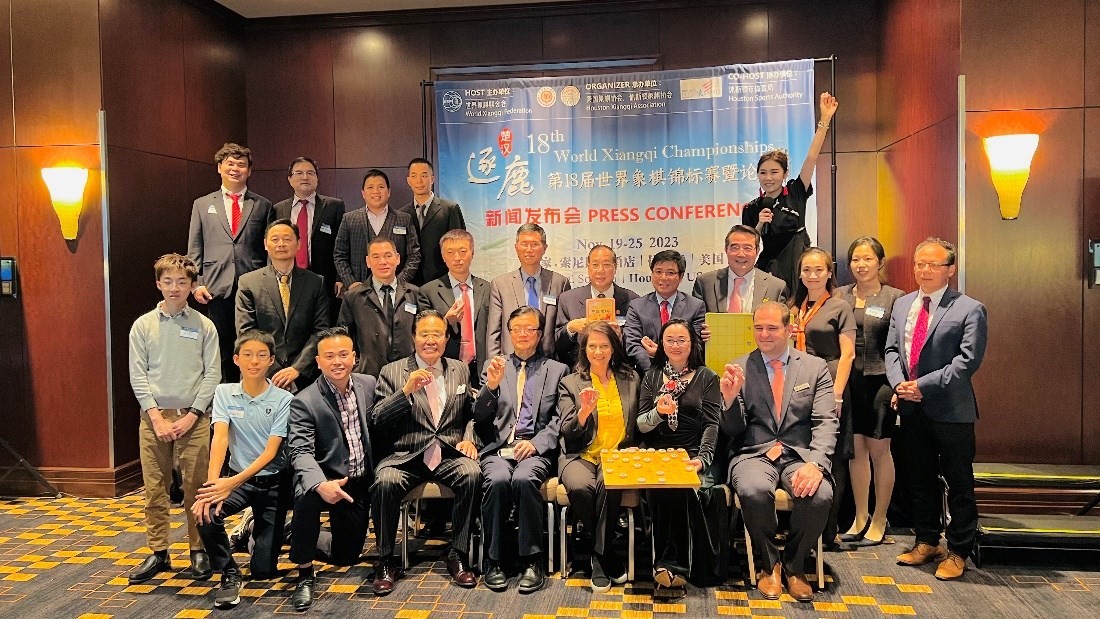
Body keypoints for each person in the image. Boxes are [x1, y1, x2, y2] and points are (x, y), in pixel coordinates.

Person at [720, 301, 838, 603]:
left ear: (789, 329)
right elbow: (733, 430)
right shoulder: (740, 366)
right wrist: (730, 401)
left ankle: (795, 566)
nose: (764, 334)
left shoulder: (814, 368)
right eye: (758, 328)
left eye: (772, 328)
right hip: (753, 453)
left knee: (820, 494)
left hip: (799, 454)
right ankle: (768, 563)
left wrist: (816, 464)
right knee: (754, 490)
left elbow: (825, 421)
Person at [886, 238, 987, 581]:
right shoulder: (902, 305)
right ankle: (927, 540)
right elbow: (890, 351)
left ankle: (959, 550)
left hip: (951, 410)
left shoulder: (970, 308)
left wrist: (921, 386)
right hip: (911, 410)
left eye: (933, 265)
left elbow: (967, 362)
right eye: (919, 264)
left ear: (950, 269)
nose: (924, 270)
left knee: (959, 482)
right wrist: (901, 384)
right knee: (919, 479)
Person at [370, 310, 481, 594]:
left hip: (448, 453)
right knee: (385, 481)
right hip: (406, 455)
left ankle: (458, 554)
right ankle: (384, 560)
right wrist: (405, 392)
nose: (430, 340)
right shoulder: (392, 371)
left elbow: (471, 414)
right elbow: (378, 420)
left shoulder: (459, 369)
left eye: (437, 335)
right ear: (414, 337)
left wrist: (468, 438)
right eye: (424, 334)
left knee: (472, 473)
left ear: (446, 339)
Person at [127, 254, 220, 584]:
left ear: (192, 285)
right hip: (153, 420)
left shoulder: (204, 326)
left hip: (194, 419)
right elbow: (138, 375)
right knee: (155, 488)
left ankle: (199, 550)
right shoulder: (143, 326)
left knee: (197, 489)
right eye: (168, 281)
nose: (175, 287)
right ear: (158, 284)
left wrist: (192, 415)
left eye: (182, 282)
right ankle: (158, 551)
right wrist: (156, 417)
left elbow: (213, 374)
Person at [193, 330, 292, 610]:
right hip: (238, 481)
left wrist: (229, 482)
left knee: (263, 570)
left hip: (273, 482)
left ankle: (251, 528)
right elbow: (220, 439)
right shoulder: (224, 393)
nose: (254, 361)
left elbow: (271, 453)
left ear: (271, 360)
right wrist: (214, 487)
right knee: (204, 512)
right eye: (247, 355)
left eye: (262, 356)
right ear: (236, 359)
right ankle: (229, 572)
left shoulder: (282, 399)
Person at [473, 307, 569, 593]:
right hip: (499, 448)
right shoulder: (494, 365)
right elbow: (478, 416)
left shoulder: (557, 370)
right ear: (509, 333)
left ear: (539, 335)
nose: (523, 334)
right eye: (517, 329)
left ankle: (532, 559)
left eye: (530, 329)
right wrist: (490, 385)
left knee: (525, 480)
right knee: (499, 480)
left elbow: (559, 420)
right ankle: (494, 559)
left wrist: (536, 443)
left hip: (534, 450)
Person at [286, 327, 376, 611]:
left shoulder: (369, 384)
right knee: (305, 496)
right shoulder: (305, 400)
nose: (337, 361)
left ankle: (290, 533)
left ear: (354, 357)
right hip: (324, 478)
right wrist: (320, 484)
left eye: (343, 354)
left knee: (346, 557)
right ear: (318, 362)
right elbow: (299, 452)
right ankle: (304, 573)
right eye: (329, 356)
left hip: (357, 481)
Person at [636, 319, 721, 588]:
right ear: (662, 344)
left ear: (693, 344)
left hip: (694, 452)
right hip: (657, 452)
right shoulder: (651, 376)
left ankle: (675, 565)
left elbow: (711, 424)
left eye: (681, 340)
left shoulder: (707, 377)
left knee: (683, 486)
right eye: (669, 340)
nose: (675, 345)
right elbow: (641, 424)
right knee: (661, 487)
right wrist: (658, 413)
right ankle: (666, 563)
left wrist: (703, 459)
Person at [558, 321, 641, 593]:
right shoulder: (570, 382)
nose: (598, 351)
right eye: (592, 346)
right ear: (584, 349)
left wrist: (635, 447)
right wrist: (583, 411)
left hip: (617, 455)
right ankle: (605, 554)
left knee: (609, 484)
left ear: (614, 348)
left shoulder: (630, 379)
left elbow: (638, 422)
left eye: (604, 346)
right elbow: (568, 432)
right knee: (581, 486)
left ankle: (597, 556)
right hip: (579, 454)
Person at [835, 237, 905, 546]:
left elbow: (903, 347)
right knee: (856, 451)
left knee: (879, 451)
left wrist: (900, 385)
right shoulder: (839, 296)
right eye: (855, 260)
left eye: (867, 259)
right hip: (849, 382)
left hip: (882, 383)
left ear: (880, 262)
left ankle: (880, 518)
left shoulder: (896, 298)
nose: (861, 265)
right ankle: (860, 516)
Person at [188, 142, 274, 381]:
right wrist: (196, 283)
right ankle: (225, 397)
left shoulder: (263, 205)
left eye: (241, 164)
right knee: (221, 348)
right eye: (230, 163)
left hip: (254, 286)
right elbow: (195, 246)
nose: (236, 169)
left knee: (253, 345)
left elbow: (269, 248)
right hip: (216, 288)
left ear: (249, 171)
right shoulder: (203, 204)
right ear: (219, 167)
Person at [788, 247, 856, 548]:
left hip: (831, 384)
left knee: (833, 457)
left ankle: (829, 531)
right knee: (806, 452)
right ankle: (806, 527)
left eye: (819, 270)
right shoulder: (794, 307)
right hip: (799, 386)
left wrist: (838, 395)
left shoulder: (839, 307)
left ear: (829, 273)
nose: (812, 275)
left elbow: (848, 354)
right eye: (806, 270)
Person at [741, 93, 838, 293]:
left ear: (785, 174)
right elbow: (748, 246)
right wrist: (759, 223)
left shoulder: (795, 192)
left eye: (774, 172)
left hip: (798, 263)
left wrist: (824, 120)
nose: (768, 177)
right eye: (763, 173)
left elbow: (811, 158)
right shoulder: (751, 208)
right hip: (769, 267)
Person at [235, 219, 329, 392]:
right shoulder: (248, 282)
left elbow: (321, 331)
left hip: (305, 377)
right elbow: (247, 332)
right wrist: (276, 372)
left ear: (298, 244)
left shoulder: (316, 282)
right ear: (265, 244)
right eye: (275, 239)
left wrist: (297, 369)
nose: (281, 244)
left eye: (287, 239)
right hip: (262, 374)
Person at [273, 157, 346, 324]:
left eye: (310, 173)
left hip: (325, 282)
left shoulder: (334, 206)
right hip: (288, 280)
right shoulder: (278, 209)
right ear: (290, 179)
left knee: (324, 327)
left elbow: (341, 245)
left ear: (317, 177)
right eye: (299, 173)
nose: (305, 177)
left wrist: (339, 278)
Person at [416, 229, 490, 386]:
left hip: (482, 367)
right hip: (445, 367)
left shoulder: (488, 288)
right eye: (450, 252)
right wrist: (445, 321)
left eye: (463, 251)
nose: (457, 258)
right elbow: (422, 331)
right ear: (443, 256)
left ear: (472, 253)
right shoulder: (428, 291)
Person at [338, 236, 418, 378]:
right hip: (367, 376)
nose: (383, 262)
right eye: (376, 257)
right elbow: (344, 337)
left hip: (409, 375)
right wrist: (358, 366)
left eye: (388, 255)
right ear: (368, 261)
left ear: (398, 258)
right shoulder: (353, 297)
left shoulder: (415, 294)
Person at [487, 223, 571, 359]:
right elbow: (494, 332)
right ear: (516, 248)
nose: (529, 249)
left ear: (544, 248)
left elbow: (562, 328)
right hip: (511, 360)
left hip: (549, 361)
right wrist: (494, 364)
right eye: (524, 244)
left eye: (534, 244)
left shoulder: (560, 282)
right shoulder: (500, 285)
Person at [334, 169, 421, 288]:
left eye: (381, 186)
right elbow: (339, 255)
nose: (376, 191)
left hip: (396, 290)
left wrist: (399, 282)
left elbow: (414, 255)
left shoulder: (404, 219)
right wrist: (351, 282)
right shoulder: (349, 219)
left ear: (389, 191)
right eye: (370, 187)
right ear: (363, 193)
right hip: (359, 289)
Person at [623, 250, 707, 371]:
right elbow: (632, 345)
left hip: (685, 376)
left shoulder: (695, 306)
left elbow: (696, 347)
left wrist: (660, 355)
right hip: (647, 375)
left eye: (670, 273)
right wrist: (654, 374)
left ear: (681, 277)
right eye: (658, 272)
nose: (663, 277)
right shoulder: (637, 306)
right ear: (652, 274)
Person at [554, 244, 639, 366]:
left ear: (615, 268)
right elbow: (557, 345)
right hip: (580, 373)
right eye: (595, 265)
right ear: (588, 268)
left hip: (620, 372)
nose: (600, 270)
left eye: (606, 265)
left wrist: (620, 336)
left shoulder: (632, 300)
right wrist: (571, 328)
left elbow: (637, 345)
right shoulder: (568, 299)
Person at [399, 158, 466, 286]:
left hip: (442, 281)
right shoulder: (402, 214)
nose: (419, 181)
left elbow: (460, 244)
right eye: (414, 176)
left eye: (424, 175)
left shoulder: (450, 209)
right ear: (408, 181)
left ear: (432, 179)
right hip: (411, 283)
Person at [693, 224, 788, 313]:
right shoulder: (705, 283)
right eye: (735, 247)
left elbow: (780, 324)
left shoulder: (775, 287)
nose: (741, 254)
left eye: (747, 248)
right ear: (726, 250)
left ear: (757, 251)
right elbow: (695, 322)